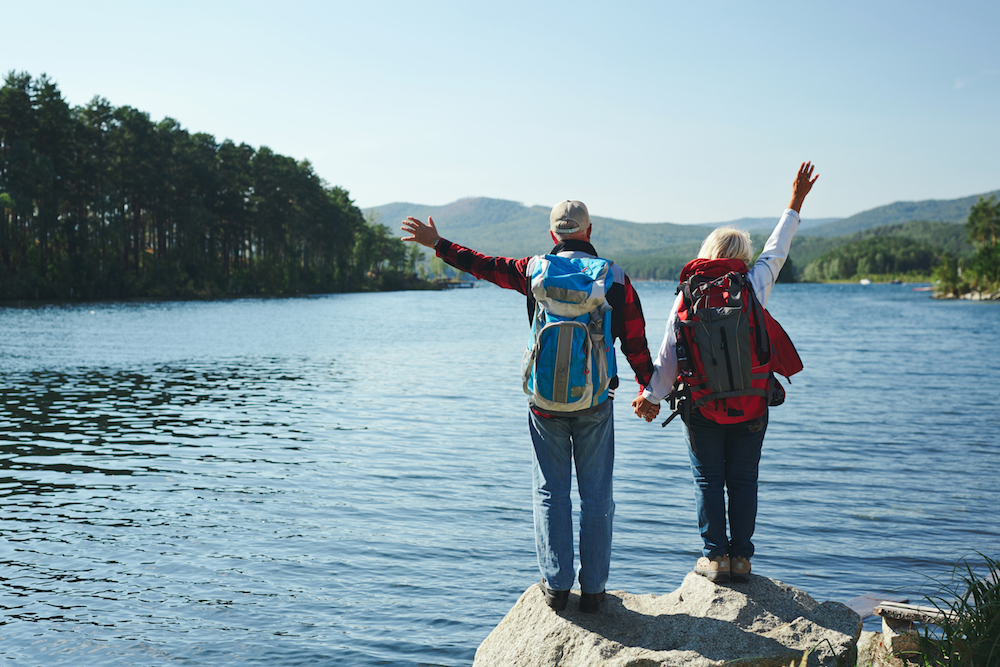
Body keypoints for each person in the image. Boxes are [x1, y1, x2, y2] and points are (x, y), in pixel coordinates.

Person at [401, 201, 655, 613]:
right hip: (595, 402)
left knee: (550, 492)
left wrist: (439, 244)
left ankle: (556, 587)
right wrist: (649, 389)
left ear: (554, 235)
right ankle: (593, 591)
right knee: (596, 496)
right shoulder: (614, 277)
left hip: (544, 403)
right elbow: (636, 341)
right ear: (590, 231)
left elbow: (483, 265)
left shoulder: (533, 269)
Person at [632, 162, 818, 584]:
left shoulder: (687, 296)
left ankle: (715, 559)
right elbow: (778, 248)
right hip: (751, 404)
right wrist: (795, 200)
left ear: (707, 253)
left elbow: (668, 356)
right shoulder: (752, 286)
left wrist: (650, 397)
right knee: (744, 480)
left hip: (701, 407)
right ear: (742, 259)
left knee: (708, 480)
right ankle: (742, 560)